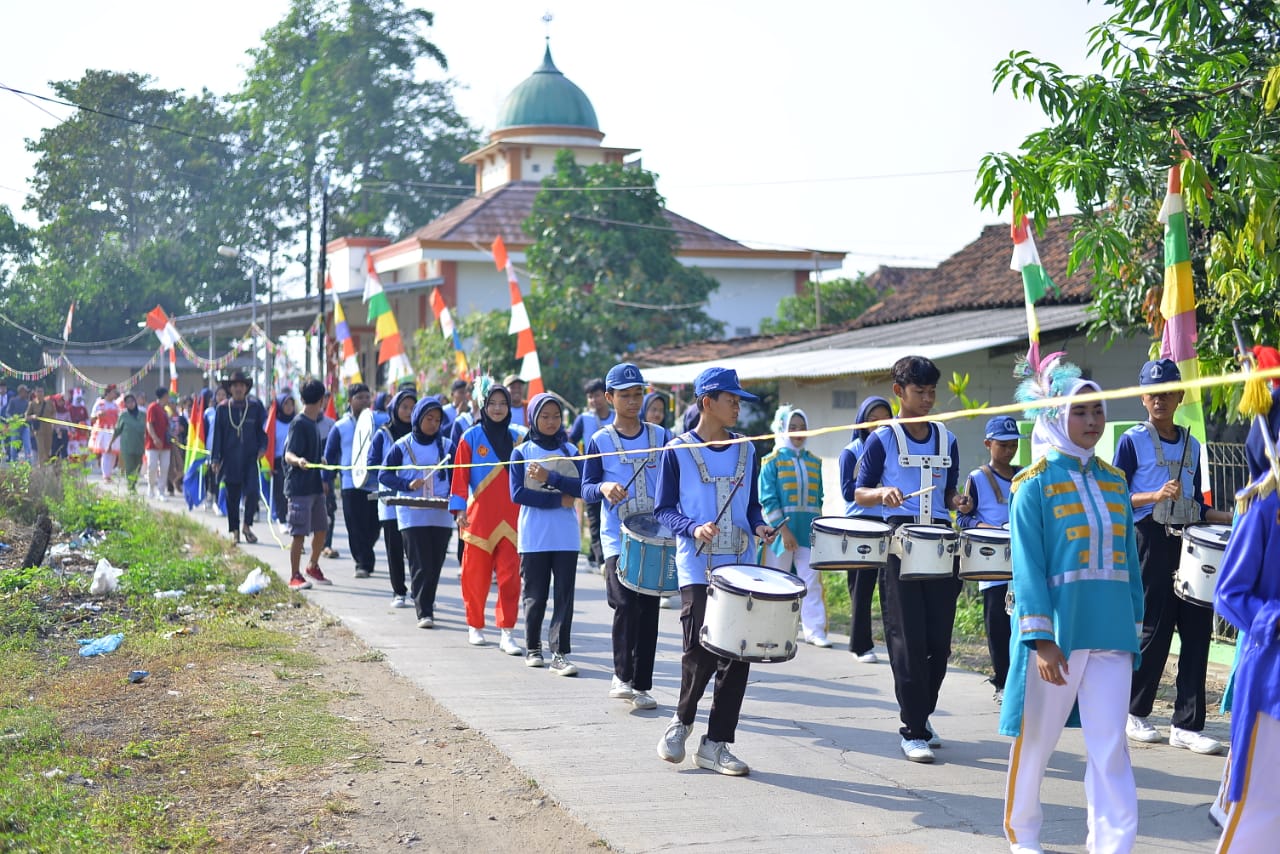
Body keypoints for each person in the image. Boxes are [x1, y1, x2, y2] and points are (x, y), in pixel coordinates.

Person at [1000, 358, 1144, 854]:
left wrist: (1135, 623)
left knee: (1111, 749)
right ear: (1057, 416)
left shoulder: (1115, 481)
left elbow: (1129, 560)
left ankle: (1113, 843)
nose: (1092, 421)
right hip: (1056, 638)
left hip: (1113, 634)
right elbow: (1028, 567)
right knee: (1036, 744)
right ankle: (1025, 836)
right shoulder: (1032, 485)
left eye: (1098, 411)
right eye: (1080, 412)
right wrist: (1040, 640)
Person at [654, 367, 776, 777]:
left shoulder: (748, 451)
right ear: (707, 402)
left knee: (738, 655)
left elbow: (753, 505)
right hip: (696, 566)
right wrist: (692, 527)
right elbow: (663, 509)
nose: (738, 407)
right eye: (732, 399)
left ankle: (717, 743)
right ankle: (682, 721)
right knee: (699, 649)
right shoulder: (677, 450)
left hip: (740, 566)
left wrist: (759, 524)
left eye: (739, 400)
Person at [1115, 359, 1232, 754]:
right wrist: (1154, 496)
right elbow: (1116, 496)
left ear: (1180, 396)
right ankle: (1136, 712)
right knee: (1156, 627)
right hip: (1150, 537)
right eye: (1153, 393)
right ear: (1143, 398)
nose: (1160, 399)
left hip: (1189, 539)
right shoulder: (1132, 440)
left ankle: (1187, 723)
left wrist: (1234, 516)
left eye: (1167, 392)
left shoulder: (1193, 444)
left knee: (1197, 629)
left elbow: (1197, 502)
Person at [853, 355, 966, 763]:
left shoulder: (946, 438)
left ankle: (922, 713)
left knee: (939, 642)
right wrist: (882, 494)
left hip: (940, 543)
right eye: (920, 391)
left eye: (932, 391)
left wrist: (959, 501)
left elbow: (949, 492)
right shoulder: (882, 438)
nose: (928, 399)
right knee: (907, 642)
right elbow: (858, 492)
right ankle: (912, 729)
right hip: (900, 544)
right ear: (899, 392)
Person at [1212, 393, 1280, 852]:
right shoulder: (1263, 509)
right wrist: (1273, 616)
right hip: (1274, 679)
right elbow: (1228, 594)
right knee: (1260, 810)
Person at [583, 363, 672, 708]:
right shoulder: (599, 440)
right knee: (624, 602)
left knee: (648, 607)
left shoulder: (661, 437)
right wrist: (604, 486)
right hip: (616, 536)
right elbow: (586, 487)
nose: (633, 402)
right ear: (609, 398)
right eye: (625, 396)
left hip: (655, 536)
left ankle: (642, 684)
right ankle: (621, 675)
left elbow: (673, 481)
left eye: (638, 395)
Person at [449, 378, 523, 654]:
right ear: (483, 405)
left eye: (503, 403)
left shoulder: (519, 437)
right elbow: (459, 477)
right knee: (475, 576)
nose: (498, 408)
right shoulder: (470, 437)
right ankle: (475, 625)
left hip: (513, 519)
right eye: (492, 403)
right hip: (478, 518)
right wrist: (458, 510)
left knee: (510, 579)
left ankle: (507, 631)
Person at [511, 393, 584, 673]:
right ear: (533, 418)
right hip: (533, 536)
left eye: (556, 416)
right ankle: (532, 647)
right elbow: (517, 493)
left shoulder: (572, 451)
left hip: (566, 535)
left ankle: (560, 653)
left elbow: (582, 488)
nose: (551, 421)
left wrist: (550, 478)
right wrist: (558, 499)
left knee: (564, 595)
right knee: (535, 594)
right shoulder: (522, 451)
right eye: (545, 416)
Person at [956, 415, 1023, 704]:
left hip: (1021, 560)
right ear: (988, 444)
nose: (1009, 451)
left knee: (1023, 623)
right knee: (997, 624)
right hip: (992, 561)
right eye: (1003, 445)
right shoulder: (978, 477)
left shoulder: (1025, 474)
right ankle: (1002, 681)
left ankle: (1023, 682)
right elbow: (963, 517)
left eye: (1013, 445)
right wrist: (989, 530)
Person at [380, 395, 454, 630]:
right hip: (411, 514)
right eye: (428, 418)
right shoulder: (401, 446)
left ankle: (425, 600)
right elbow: (384, 475)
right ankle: (424, 611)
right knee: (420, 563)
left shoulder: (449, 447)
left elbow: (457, 479)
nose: (433, 423)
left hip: (441, 514)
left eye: (437, 419)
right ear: (418, 418)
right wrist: (406, 485)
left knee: (435, 563)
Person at [759, 405, 829, 647]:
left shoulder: (815, 462)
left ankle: (815, 630)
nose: (799, 432)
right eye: (793, 427)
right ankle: (770, 630)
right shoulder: (772, 461)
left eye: (803, 427)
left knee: (811, 581)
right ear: (783, 430)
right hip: (780, 533)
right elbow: (767, 498)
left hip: (808, 531)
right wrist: (783, 529)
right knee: (776, 580)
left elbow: (819, 498)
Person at [839, 394, 893, 663]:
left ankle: (893, 643)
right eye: (874, 420)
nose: (880, 425)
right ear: (862, 422)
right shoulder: (852, 452)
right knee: (861, 588)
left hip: (888, 522)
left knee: (889, 586)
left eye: (886, 420)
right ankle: (860, 645)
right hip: (861, 524)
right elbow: (848, 492)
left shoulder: (894, 449)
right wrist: (878, 490)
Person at [324, 383, 382, 579]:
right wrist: (327, 480)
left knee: (374, 525)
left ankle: (366, 552)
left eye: (367, 397)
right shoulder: (339, 426)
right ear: (350, 401)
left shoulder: (379, 423)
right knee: (355, 526)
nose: (365, 401)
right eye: (360, 398)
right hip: (350, 484)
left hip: (374, 483)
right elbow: (330, 455)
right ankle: (362, 563)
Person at [367, 388, 416, 608]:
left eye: (412, 408)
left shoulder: (421, 434)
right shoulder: (383, 433)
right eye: (404, 407)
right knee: (394, 548)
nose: (408, 411)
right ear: (395, 408)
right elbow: (372, 464)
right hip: (389, 500)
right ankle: (399, 591)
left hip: (415, 500)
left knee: (415, 549)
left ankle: (419, 590)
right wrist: (395, 476)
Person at [280, 380, 331, 590]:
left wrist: (321, 461)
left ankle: (312, 565)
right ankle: (294, 575)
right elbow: (288, 453)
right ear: (322, 400)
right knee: (299, 533)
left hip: (315, 486)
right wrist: (298, 461)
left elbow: (314, 453)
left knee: (321, 529)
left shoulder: (314, 423)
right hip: (299, 487)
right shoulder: (299, 423)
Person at [209, 370, 267, 544]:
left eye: (242, 385)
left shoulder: (255, 407)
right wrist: (215, 459)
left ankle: (247, 526)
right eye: (235, 386)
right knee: (232, 497)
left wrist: (263, 447)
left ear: (246, 388)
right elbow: (217, 435)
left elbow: (261, 432)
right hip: (230, 459)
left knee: (253, 492)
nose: (238, 389)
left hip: (250, 458)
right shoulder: (222, 409)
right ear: (230, 389)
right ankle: (234, 531)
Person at [570, 378, 615, 573]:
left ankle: (594, 556)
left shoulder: (616, 417)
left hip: (614, 477)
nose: (593, 400)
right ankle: (601, 560)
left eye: (596, 395)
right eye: (590, 396)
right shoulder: (584, 419)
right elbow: (570, 442)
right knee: (594, 519)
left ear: (606, 396)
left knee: (612, 518)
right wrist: (581, 461)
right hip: (592, 478)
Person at [315, 392, 339, 558]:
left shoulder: (331, 425)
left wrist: (328, 476)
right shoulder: (300, 424)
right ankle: (301, 543)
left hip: (326, 476)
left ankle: (326, 544)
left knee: (328, 509)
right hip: (305, 476)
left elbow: (334, 454)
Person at [268, 393, 297, 523]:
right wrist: (269, 465)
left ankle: (293, 517)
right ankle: (281, 518)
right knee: (280, 492)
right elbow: (268, 444)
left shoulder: (297, 422)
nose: (289, 407)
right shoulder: (274, 423)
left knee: (294, 492)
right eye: (286, 404)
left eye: (291, 404)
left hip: (294, 461)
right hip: (278, 461)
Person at [109, 393, 146, 491]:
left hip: (139, 445)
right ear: (125, 404)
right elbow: (117, 430)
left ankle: (133, 483)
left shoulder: (143, 415)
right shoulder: (123, 416)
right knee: (129, 467)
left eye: (132, 402)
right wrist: (110, 444)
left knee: (138, 467)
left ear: (135, 402)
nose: (131, 404)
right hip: (127, 447)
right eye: (128, 402)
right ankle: (131, 487)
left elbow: (149, 429)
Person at [143, 388, 171, 498]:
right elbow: (149, 424)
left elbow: (167, 426)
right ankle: (151, 487)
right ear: (163, 396)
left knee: (164, 467)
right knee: (152, 466)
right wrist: (154, 438)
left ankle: (161, 491)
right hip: (152, 444)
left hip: (165, 444)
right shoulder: (153, 407)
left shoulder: (165, 410)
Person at [89, 385, 121, 482]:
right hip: (103, 431)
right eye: (113, 392)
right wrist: (98, 415)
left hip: (113, 431)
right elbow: (92, 417)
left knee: (113, 454)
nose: (115, 394)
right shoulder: (100, 403)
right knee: (106, 453)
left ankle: (109, 474)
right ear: (108, 393)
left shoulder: (116, 405)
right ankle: (105, 475)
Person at [25, 387, 53, 464]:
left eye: (41, 391)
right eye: (38, 391)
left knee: (47, 450)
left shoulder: (49, 403)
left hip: (48, 430)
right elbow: (26, 417)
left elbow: (53, 413)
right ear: (35, 393)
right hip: (39, 431)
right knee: (41, 450)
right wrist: (33, 416)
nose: (40, 393)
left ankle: (46, 467)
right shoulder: (32, 404)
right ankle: (41, 468)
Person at [67, 389, 89, 461]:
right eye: (77, 398)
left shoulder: (83, 408)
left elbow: (87, 419)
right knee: (74, 451)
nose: (79, 400)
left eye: (80, 398)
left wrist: (87, 429)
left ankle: (83, 464)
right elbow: (68, 420)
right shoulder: (70, 408)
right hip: (73, 434)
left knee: (83, 451)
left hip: (82, 434)